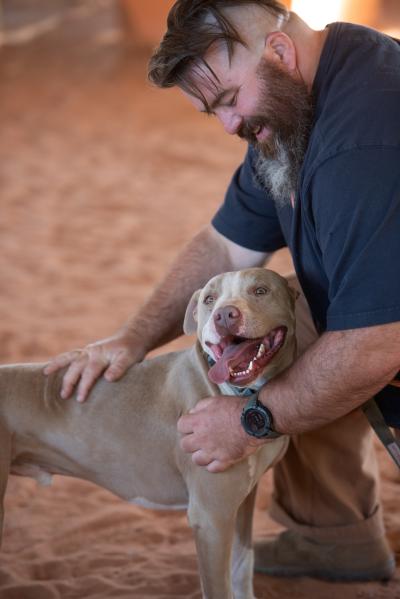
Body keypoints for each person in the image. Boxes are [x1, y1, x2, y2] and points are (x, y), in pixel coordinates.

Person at [45, 0, 400, 582]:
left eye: (228, 100)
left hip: (385, 336)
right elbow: (226, 245)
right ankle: (337, 540)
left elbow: (377, 345)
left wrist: (248, 421)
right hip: (377, 319)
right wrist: (131, 339)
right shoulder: (299, 102)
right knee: (281, 316)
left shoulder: (365, 142)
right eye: (212, 111)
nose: (229, 126)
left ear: (279, 53)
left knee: (318, 333)